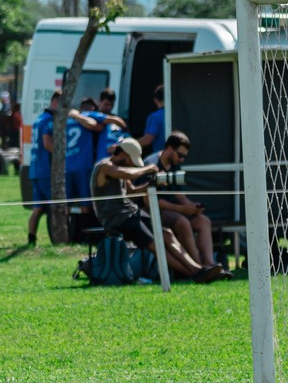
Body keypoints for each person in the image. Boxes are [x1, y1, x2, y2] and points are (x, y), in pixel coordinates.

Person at [93, 136, 222, 282]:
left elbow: (132, 192)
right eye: (131, 160)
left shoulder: (120, 171)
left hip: (132, 213)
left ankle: (198, 268)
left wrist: (152, 183)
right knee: (155, 245)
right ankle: (195, 272)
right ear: (123, 154)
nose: (132, 164)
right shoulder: (105, 166)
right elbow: (128, 174)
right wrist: (147, 169)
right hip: (118, 219)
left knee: (166, 234)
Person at [152, 131, 220, 272]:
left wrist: (192, 206)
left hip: (175, 210)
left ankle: (210, 264)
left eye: (184, 156)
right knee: (182, 221)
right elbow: (153, 201)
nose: (182, 159)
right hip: (155, 212)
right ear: (169, 149)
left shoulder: (176, 166)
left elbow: (179, 196)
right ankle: (198, 268)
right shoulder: (152, 164)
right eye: (180, 155)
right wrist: (182, 209)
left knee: (203, 220)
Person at [25, 91, 61, 246]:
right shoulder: (49, 121)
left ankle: (31, 239)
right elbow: (47, 143)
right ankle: (57, 239)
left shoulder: (39, 119)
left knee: (38, 209)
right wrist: (62, 155)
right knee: (55, 206)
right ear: (54, 103)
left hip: (35, 169)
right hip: (46, 169)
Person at [140, 84, 168, 154]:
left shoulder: (155, 117)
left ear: (155, 100)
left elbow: (148, 140)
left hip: (161, 158)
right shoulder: (178, 114)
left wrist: (128, 145)